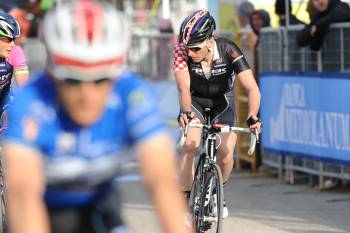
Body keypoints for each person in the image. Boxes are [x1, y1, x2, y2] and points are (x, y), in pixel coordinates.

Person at [2, 1, 192, 233]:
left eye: (101, 80)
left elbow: (163, 183)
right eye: (72, 80)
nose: (87, 94)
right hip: (44, 209)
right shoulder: (30, 101)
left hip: (100, 206)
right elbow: (23, 195)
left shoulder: (132, 95)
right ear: (52, 73)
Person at [173, 9, 262, 218]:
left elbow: (252, 88)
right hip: (193, 101)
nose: (190, 53)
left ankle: (216, 193)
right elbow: (183, 87)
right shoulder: (181, 52)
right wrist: (185, 112)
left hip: (223, 103)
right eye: (187, 49)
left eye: (195, 48)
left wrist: (252, 116)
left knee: (225, 154)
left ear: (209, 40)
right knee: (189, 147)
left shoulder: (228, 49)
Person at [0, 12, 29, 131]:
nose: (12, 44)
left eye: (14, 39)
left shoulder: (15, 52)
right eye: (8, 39)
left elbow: (24, 88)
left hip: (4, 102)